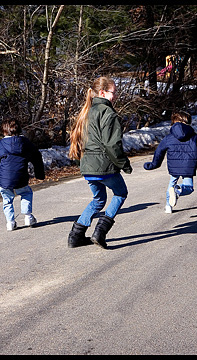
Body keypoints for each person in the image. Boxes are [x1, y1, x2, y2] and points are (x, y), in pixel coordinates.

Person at [68, 76, 132, 249]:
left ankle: (75, 236)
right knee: (120, 194)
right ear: (103, 93)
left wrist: (82, 164)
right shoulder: (108, 113)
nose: (116, 96)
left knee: (98, 199)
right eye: (114, 92)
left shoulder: (85, 112)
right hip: (104, 166)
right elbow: (112, 144)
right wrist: (123, 164)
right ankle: (100, 232)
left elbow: (78, 142)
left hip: (88, 167)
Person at [143, 111, 197, 213]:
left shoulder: (168, 137)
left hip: (173, 168)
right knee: (188, 188)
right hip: (188, 167)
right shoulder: (195, 137)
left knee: (171, 183)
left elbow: (159, 152)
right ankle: (178, 190)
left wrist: (152, 165)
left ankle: (168, 206)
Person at [0, 119, 45, 231]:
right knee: (26, 193)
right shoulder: (25, 143)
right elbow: (37, 157)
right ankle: (28, 216)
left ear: (3, 131)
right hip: (21, 177)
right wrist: (39, 174)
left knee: (7, 200)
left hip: (4, 180)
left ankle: (10, 222)